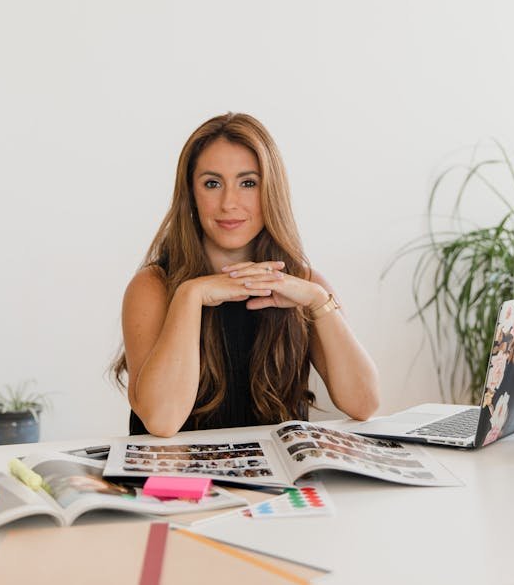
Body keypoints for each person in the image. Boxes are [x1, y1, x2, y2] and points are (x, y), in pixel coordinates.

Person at [110, 113, 380, 437]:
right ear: (191, 194)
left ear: (270, 191)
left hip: (278, 485)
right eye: (212, 183)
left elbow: (364, 404)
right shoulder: (152, 287)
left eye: (248, 183)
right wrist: (190, 296)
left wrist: (319, 301)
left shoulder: (307, 285)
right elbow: (162, 421)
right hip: (178, 484)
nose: (229, 203)